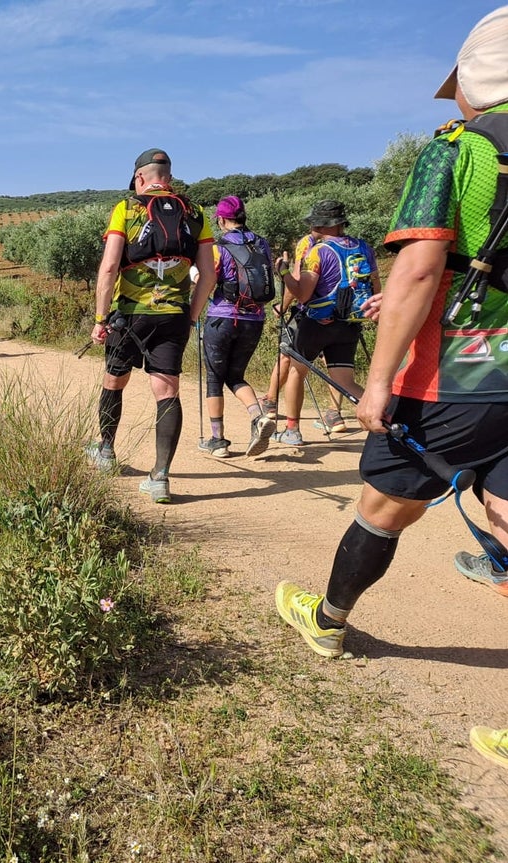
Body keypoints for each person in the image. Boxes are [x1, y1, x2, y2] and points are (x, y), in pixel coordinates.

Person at [274, 9, 508, 786]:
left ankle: (330, 623)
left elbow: (418, 269)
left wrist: (378, 381)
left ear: (475, 83)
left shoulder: (461, 152)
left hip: (467, 368)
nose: (455, 108)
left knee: (385, 503)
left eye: (459, 94)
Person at [87, 147, 216, 503]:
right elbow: (209, 274)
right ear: (169, 178)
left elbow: (110, 267)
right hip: (173, 314)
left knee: (114, 380)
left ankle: (106, 450)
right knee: (167, 391)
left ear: (140, 178)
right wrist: (190, 315)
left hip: (129, 314)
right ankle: (160, 477)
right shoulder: (195, 212)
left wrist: (100, 319)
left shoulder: (126, 208)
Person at [269, 200, 380, 446]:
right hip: (349, 323)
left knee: (298, 371)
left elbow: (303, 294)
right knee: (346, 381)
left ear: (323, 224)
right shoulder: (364, 248)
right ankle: (386, 420)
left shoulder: (318, 252)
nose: (311, 227)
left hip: (317, 323)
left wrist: (284, 272)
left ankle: (292, 431)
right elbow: (376, 288)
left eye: (314, 222)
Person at [197, 195, 277, 458]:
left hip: (222, 318)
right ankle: (257, 417)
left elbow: (208, 279)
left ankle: (217, 441)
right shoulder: (261, 243)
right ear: (243, 217)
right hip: (254, 320)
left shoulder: (218, 248)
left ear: (221, 219)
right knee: (236, 375)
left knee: (214, 379)